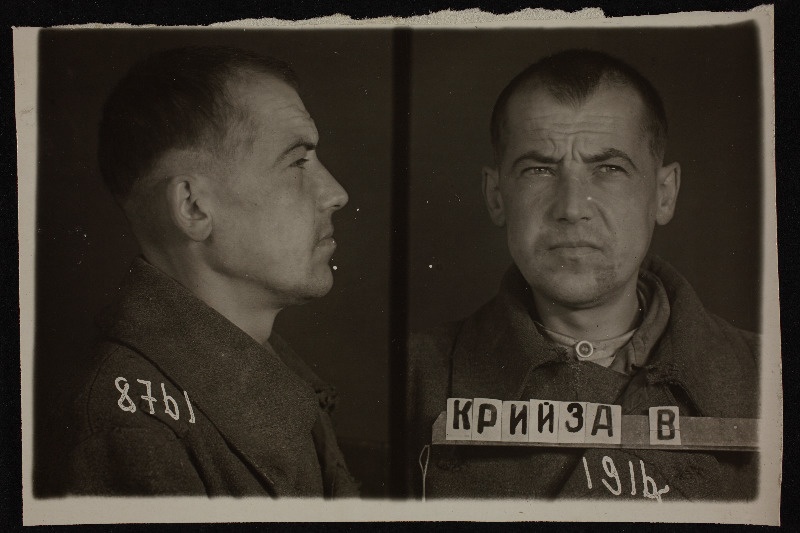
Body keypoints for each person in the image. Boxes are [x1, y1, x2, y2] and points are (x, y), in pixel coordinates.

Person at [406, 49, 759, 500]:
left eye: (609, 169)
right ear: (496, 196)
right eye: (538, 169)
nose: (572, 208)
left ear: (664, 194)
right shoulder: (414, 377)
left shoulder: (769, 376)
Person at [66, 46, 359, 497]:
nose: (335, 194)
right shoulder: (130, 428)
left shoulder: (270, 370)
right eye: (297, 162)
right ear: (193, 207)